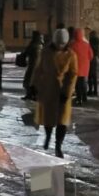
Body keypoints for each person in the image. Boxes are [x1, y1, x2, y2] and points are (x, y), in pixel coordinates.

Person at [32, 28, 78, 159]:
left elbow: (73, 74)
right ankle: (47, 136)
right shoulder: (45, 52)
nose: (60, 46)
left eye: (62, 44)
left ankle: (58, 146)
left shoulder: (71, 55)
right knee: (48, 118)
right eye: (58, 43)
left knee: (62, 121)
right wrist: (34, 86)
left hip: (63, 91)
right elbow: (38, 69)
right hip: (48, 89)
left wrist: (67, 92)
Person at [70, 27, 93, 106]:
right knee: (84, 82)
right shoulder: (86, 44)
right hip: (85, 67)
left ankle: (79, 99)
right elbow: (91, 55)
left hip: (75, 67)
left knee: (77, 84)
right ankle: (84, 97)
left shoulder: (72, 45)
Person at [21, 30, 43, 100]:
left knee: (28, 80)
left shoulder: (33, 44)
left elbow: (26, 52)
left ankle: (29, 94)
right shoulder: (41, 44)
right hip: (39, 66)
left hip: (32, 65)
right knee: (36, 81)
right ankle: (35, 95)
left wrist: (23, 55)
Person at [88, 28, 99, 97]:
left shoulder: (92, 40)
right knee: (94, 76)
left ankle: (91, 90)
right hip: (95, 58)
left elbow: (90, 49)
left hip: (91, 58)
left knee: (90, 75)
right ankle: (95, 91)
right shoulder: (97, 41)